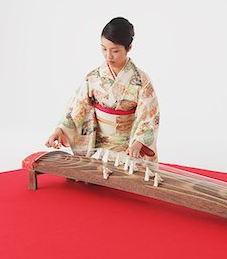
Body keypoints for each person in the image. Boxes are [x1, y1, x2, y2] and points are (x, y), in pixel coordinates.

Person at [45, 17, 160, 162]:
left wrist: (139, 143)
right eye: (104, 49)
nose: (108, 56)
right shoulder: (94, 77)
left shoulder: (142, 81)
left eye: (115, 51)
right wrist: (60, 130)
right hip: (96, 148)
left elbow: (149, 117)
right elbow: (77, 107)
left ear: (129, 48)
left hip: (129, 149)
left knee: (129, 176)